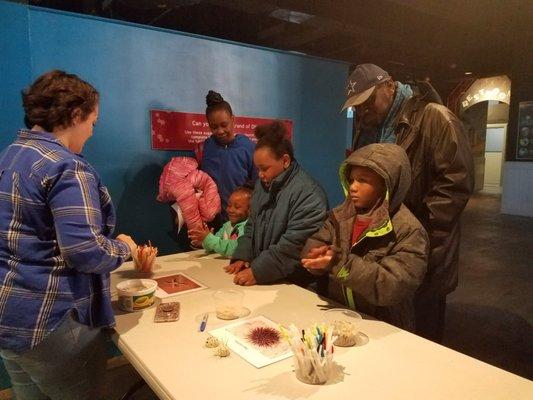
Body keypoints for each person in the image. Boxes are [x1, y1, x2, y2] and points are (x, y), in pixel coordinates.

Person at [0, 70, 137, 400]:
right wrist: (124, 248)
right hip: (53, 322)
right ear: (75, 114)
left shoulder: (11, 155)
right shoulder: (67, 166)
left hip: (9, 315)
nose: (90, 133)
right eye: (92, 122)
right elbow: (84, 251)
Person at [341, 63, 474, 341]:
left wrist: (415, 232)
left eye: (367, 102)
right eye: (357, 106)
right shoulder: (367, 127)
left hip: (423, 248)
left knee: (424, 336)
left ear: (389, 86)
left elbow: (455, 184)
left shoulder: (436, 118)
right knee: (389, 330)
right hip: (382, 247)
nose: (363, 111)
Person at [301, 144, 428, 331]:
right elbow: (317, 240)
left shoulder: (408, 230)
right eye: (351, 179)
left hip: (383, 325)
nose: (353, 187)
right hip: (339, 315)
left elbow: (393, 285)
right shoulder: (340, 216)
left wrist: (340, 263)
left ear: (386, 184)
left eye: (363, 180)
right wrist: (316, 256)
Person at [225, 121, 328, 289]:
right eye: (258, 168)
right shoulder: (262, 185)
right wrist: (243, 256)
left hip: (296, 284)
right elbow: (251, 226)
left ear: (285, 160)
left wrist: (257, 272)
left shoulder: (309, 195)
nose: (260, 175)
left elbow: (293, 246)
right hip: (268, 279)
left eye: (265, 168)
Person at [199, 90, 257, 221]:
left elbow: (258, 187)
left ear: (233, 119)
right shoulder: (203, 149)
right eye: (214, 127)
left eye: (224, 125)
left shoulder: (249, 148)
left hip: (241, 221)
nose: (220, 131)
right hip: (211, 220)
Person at [188, 186, 252, 257]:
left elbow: (236, 248)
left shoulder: (248, 227)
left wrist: (210, 240)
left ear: (250, 210)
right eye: (229, 205)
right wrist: (205, 241)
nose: (230, 210)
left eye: (237, 207)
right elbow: (214, 247)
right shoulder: (226, 226)